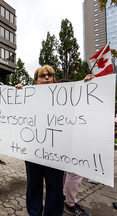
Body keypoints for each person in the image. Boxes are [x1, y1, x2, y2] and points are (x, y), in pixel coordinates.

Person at [16, 66, 95, 216]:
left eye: (50, 75)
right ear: (35, 80)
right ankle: (35, 213)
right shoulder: (27, 97)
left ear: (53, 79)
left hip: (55, 151)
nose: (47, 77)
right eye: (42, 75)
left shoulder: (64, 97)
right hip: (33, 151)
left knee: (55, 188)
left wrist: (87, 87)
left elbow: (81, 106)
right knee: (33, 186)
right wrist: (17, 94)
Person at [57, 78, 92, 216]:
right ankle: (70, 203)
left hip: (67, 143)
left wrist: (89, 84)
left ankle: (65, 198)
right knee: (74, 173)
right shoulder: (69, 104)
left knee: (67, 172)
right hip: (68, 143)